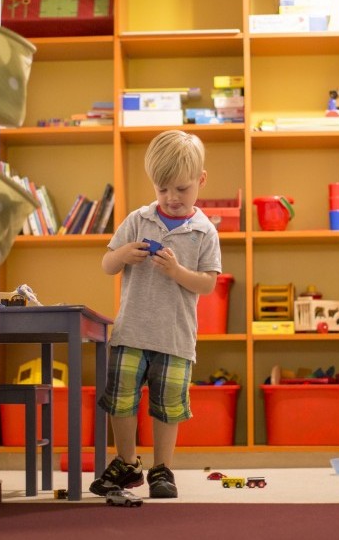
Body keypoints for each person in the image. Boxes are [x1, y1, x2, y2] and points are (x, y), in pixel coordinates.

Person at [90, 130, 221, 499]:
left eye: (181, 188)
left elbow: (208, 284)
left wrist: (178, 273)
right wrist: (122, 256)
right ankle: (128, 462)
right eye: (163, 189)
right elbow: (106, 264)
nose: (171, 198)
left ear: (201, 181)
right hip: (131, 332)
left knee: (168, 407)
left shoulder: (204, 231)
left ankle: (162, 469)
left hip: (176, 338)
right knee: (121, 399)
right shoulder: (138, 219)